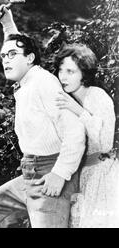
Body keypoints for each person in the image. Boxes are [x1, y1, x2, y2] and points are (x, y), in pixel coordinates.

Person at [0, 5, 86, 228]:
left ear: (30, 59)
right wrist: (7, 23)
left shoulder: (43, 82)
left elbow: (75, 131)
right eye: (3, 56)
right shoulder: (28, 79)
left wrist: (60, 174)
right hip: (30, 173)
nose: (6, 60)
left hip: (51, 175)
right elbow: (17, 46)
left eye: (11, 56)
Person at [54, 44, 119, 228]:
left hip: (103, 175)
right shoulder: (70, 99)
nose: (63, 77)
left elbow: (104, 143)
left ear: (84, 73)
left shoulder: (97, 96)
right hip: (83, 174)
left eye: (70, 71)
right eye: (60, 70)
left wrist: (78, 111)